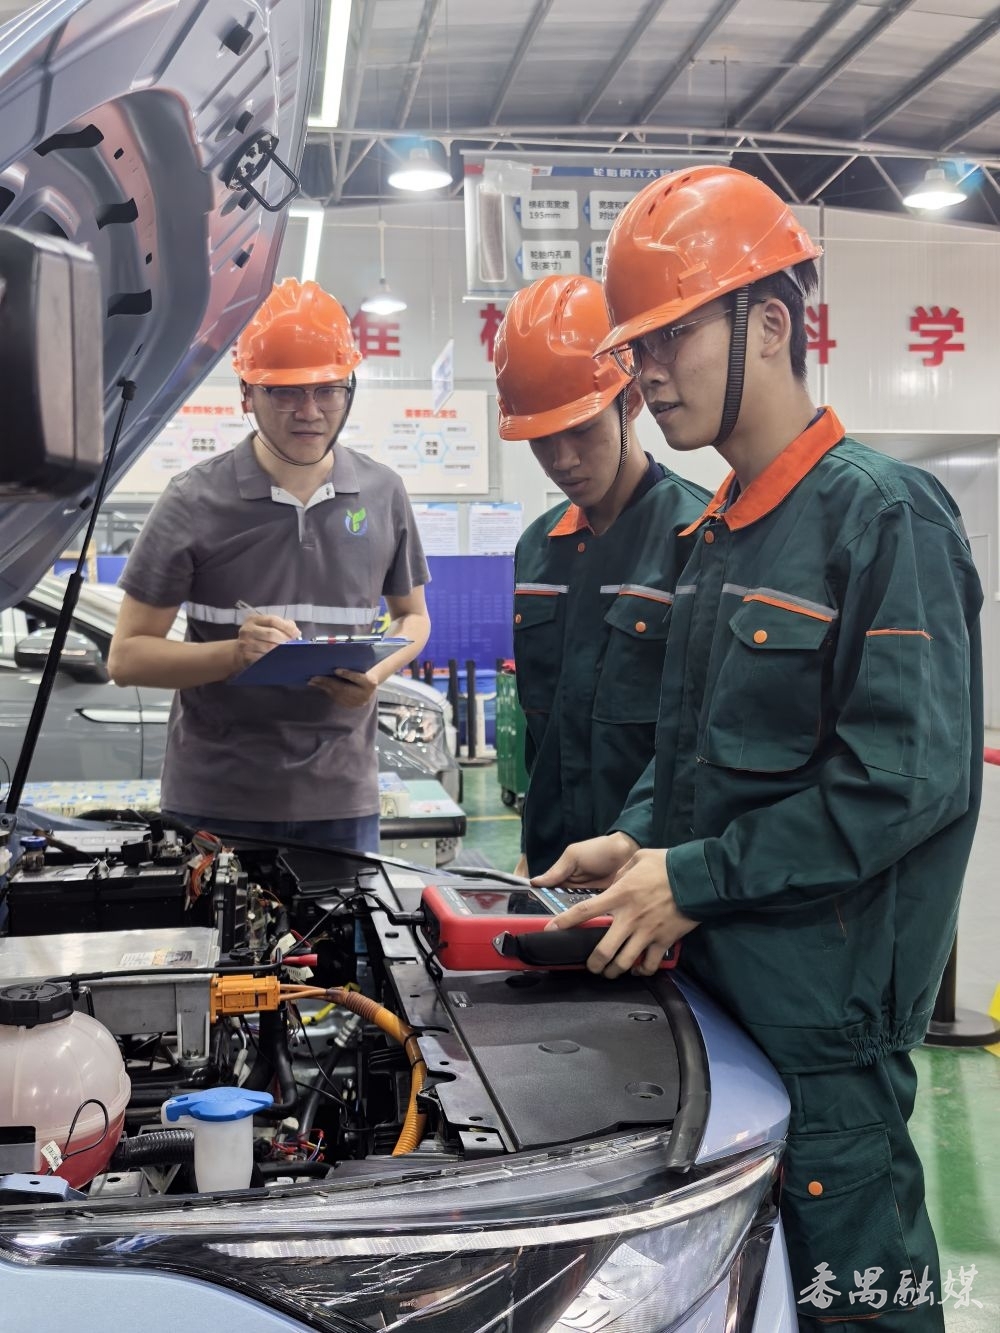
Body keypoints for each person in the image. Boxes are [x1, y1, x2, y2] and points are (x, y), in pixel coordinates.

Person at [537, 167, 983, 1330]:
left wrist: (690, 877)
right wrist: (638, 837)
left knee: (856, 1301)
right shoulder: (719, 531)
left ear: (770, 325)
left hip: (823, 1035)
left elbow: (900, 782)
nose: (646, 372)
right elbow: (691, 747)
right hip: (719, 1004)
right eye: (637, 346)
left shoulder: (884, 518)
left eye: (670, 336)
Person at [109, 278, 430, 852]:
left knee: (345, 917)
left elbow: (413, 616)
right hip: (215, 800)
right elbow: (127, 657)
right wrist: (234, 655)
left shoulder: (383, 493)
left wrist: (376, 676)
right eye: (285, 392)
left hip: (340, 800)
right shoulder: (192, 500)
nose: (309, 411)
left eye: (328, 389)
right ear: (246, 394)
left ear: (349, 388)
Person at [494, 274, 709, 876]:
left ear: (631, 400)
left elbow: (704, 737)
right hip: (554, 867)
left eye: (582, 430)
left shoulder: (699, 538)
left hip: (652, 870)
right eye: (541, 440)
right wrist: (533, 841)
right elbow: (543, 729)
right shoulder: (537, 551)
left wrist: (640, 842)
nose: (562, 460)